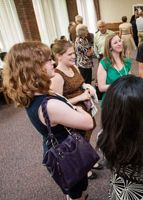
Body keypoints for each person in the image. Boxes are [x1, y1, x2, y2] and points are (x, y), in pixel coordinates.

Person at [3, 41, 93, 200]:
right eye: (47, 60)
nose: (53, 62)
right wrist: (78, 109)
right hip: (68, 155)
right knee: (77, 193)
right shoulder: (50, 105)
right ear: (34, 68)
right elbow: (88, 123)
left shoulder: (34, 94)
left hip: (58, 150)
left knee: (72, 190)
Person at [51, 40, 102, 179]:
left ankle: (88, 160)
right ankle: (84, 168)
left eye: (74, 52)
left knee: (87, 135)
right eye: (70, 54)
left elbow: (81, 83)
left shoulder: (74, 67)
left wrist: (87, 89)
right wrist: (79, 98)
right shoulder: (57, 76)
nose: (74, 56)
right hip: (72, 112)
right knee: (78, 140)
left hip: (85, 108)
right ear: (59, 56)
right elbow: (57, 103)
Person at [97, 33, 131, 107]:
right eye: (115, 43)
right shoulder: (104, 63)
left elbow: (130, 80)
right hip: (111, 101)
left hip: (125, 99)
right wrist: (120, 85)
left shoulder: (126, 61)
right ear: (110, 47)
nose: (119, 44)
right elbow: (101, 87)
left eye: (119, 41)